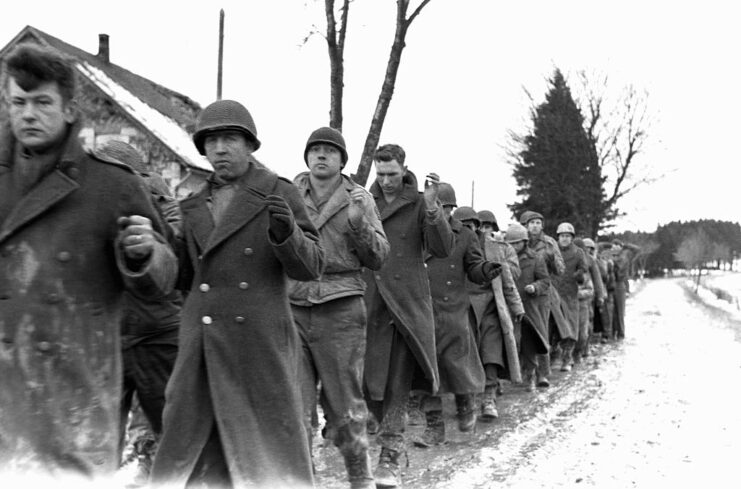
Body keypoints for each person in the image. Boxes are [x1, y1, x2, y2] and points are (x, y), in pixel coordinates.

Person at [0, 44, 177, 478]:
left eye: (42, 103)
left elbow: (166, 275)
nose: (28, 114)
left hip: (74, 390)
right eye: (18, 102)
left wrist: (144, 255)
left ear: (68, 108)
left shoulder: (111, 183)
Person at [150, 100, 324, 489]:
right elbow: (182, 275)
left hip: (257, 342)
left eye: (230, 139)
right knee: (191, 445)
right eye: (211, 141)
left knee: (268, 448)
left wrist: (287, 235)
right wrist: (157, 246)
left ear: (249, 146)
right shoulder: (191, 204)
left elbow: (311, 266)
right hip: (202, 341)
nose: (220, 149)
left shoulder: (277, 192)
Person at [288, 127, 389, 489]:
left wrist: (360, 225)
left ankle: (359, 475)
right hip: (293, 304)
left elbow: (378, 256)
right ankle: (303, 477)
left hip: (341, 305)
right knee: (294, 402)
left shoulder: (358, 198)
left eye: (330, 150)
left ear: (342, 160)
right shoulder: (289, 193)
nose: (321, 155)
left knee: (345, 403)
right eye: (314, 149)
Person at [363, 143, 453, 488]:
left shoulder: (419, 202)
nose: (386, 181)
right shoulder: (362, 200)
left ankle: (391, 453)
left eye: (392, 174)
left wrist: (433, 210)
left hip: (406, 304)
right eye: (381, 174)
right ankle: (385, 437)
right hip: (370, 302)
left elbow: (443, 248)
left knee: (397, 380)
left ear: (404, 169)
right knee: (369, 384)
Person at [96, 140, 182, 482]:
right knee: (98, 438)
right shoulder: (87, 204)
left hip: (157, 332)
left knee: (171, 432)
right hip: (108, 337)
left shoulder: (160, 205)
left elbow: (175, 251)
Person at [414, 184, 500, 448]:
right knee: (425, 372)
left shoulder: (464, 235)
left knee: (458, 366)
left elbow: (473, 266)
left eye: (446, 208)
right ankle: (434, 427)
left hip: (453, 312)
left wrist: (485, 269)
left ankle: (466, 406)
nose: (441, 212)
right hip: (422, 310)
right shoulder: (417, 232)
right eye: (436, 207)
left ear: (451, 210)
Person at [460, 207, 523, 420]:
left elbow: (507, 281)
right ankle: (467, 401)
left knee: (491, 351)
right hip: (463, 308)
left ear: (477, 226)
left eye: (470, 226)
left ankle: (489, 398)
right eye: (462, 226)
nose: (466, 230)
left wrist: (517, 307)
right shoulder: (450, 245)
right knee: (465, 354)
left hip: (490, 307)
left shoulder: (494, 248)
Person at [519, 210, 568, 386]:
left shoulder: (549, 243)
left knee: (541, 333)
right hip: (520, 292)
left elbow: (560, 270)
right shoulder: (518, 242)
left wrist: (552, 257)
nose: (535, 226)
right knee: (521, 334)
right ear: (524, 226)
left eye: (538, 222)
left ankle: (542, 374)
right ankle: (526, 372)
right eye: (531, 223)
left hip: (543, 294)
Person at [505, 223, 551, 391]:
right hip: (509, 307)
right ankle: (509, 378)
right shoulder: (502, 258)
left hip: (530, 306)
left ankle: (533, 375)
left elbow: (545, 281)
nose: (515, 247)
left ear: (525, 242)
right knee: (510, 342)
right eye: (511, 243)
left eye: (518, 243)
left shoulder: (535, 258)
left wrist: (534, 287)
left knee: (531, 342)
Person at [552, 223, 588, 371]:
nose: (564, 239)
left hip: (570, 295)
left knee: (571, 328)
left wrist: (579, 275)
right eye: (562, 236)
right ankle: (555, 356)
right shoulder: (552, 251)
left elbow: (583, 270)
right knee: (554, 327)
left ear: (572, 238)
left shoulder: (578, 252)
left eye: (567, 236)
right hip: (554, 294)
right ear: (558, 237)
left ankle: (567, 358)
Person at [611, 239, 640, 340]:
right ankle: (613, 332)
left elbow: (637, 250)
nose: (614, 247)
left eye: (616, 245)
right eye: (613, 245)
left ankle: (621, 333)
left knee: (620, 311)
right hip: (611, 284)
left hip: (620, 284)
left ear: (620, 246)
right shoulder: (611, 255)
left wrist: (626, 245)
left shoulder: (626, 255)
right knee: (612, 311)